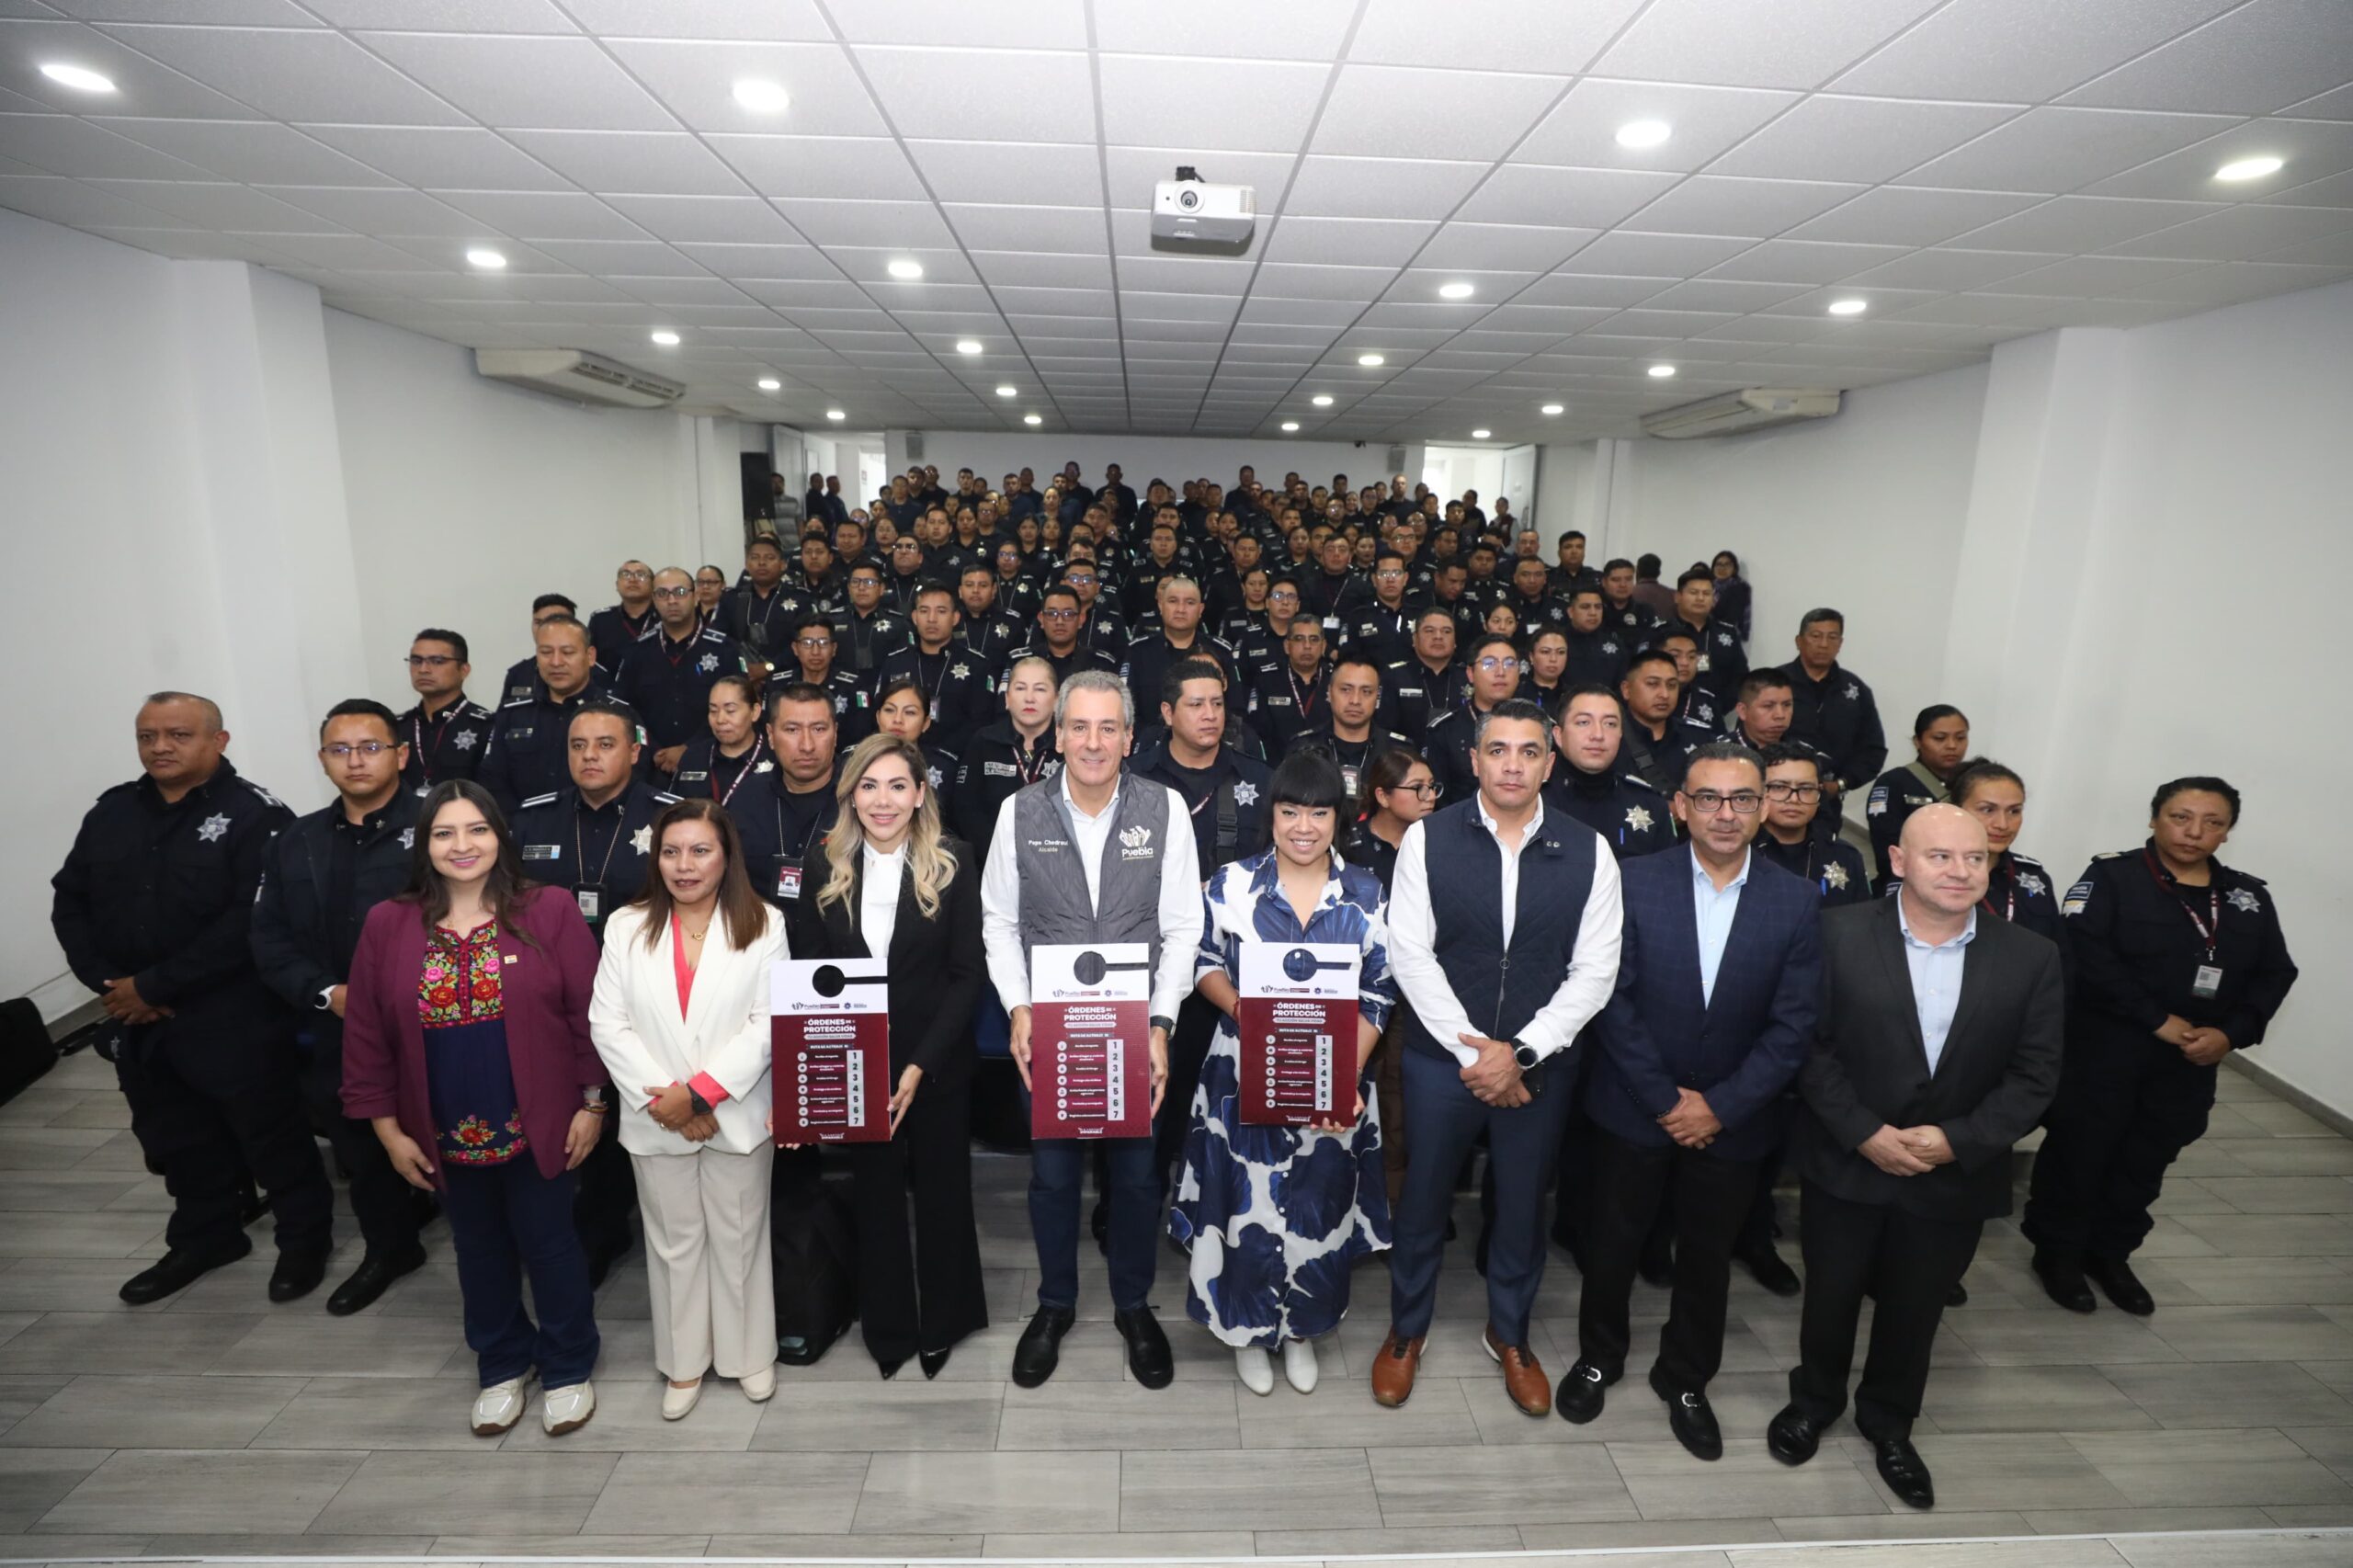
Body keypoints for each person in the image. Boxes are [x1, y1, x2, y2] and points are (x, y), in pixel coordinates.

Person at [1768, 806, 2065, 1511]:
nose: (1961, 871)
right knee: (1831, 1293)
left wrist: (1958, 1140)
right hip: (1849, 1159)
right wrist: (1864, 1131)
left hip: (1952, 1173)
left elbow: (2036, 1076)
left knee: (1917, 1306)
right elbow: (1809, 1047)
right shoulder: (1836, 933)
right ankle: (1814, 1401)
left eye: (1975, 858)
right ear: (1899, 861)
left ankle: (1890, 1423)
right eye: (1941, 857)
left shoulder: (2031, 956)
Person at [1559, 744, 1822, 1459]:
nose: (1725, 813)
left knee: (1707, 1259)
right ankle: (1598, 1357)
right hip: (1632, 1107)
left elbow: (1794, 1025)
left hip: (1734, 1122)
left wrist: (1720, 1107)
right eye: (1708, 798)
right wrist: (1664, 1098)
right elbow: (1610, 998)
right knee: (1612, 1244)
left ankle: (1685, 1378)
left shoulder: (1797, 900)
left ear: (1762, 808)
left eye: (1742, 799)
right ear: (1680, 806)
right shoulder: (1631, 882)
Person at [1376, 699, 1622, 1418]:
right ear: (1474, 759)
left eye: (1529, 751)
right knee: (1422, 1202)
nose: (1513, 765)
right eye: (1498, 750)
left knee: (1521, 1206)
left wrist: (1520, 1052)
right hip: (1441, 1061)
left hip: (1539, 1064)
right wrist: (1479, 1054)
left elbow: (1596, 971)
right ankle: (1407, 1328)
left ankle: (1510, 1334)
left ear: (1550, 763)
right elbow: (1409, 954)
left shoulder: (1590, 851)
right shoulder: (1427, 840)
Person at [341, 780, 607, 1438]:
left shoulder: (548, 909)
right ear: (424, 844)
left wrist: (593, 1103)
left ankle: (568, 1365)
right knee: (477, 1247)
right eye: (444, 833)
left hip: (540, 1116)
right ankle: (502, 1362)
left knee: (551, 1243)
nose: (462, 845)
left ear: (500, 836)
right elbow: (367, 1034)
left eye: (477, 829)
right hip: (439, 1123)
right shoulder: (389, 923)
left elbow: (589, 1013)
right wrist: (387, 1131)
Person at [51, 691, 335, 1305]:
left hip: (231, 1012)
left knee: (270, 1135)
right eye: (147, 736)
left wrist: (153, 987)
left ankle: (304, 1240)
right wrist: (110, 984)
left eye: (178, 735)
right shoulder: (112, 812)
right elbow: (70, 900)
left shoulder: (256, 816)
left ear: (218, 741)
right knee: (173, 1134)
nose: (160, 747)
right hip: (136, 1014)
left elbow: (250, 921)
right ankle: (206, 1236)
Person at [981, 671, 1205, 1391]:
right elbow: (999, 921)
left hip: (1138, 1032)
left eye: (1109, 728)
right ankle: (1055, 1304)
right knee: (1051, 1179)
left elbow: (1183, 926)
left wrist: (1162, 1022)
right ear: (1057, 734)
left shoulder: (1165, 808)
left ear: (1130, 737)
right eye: (1079, 726)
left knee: (1137, 1179)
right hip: (1050, 1032)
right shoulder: (1018, 811)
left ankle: (1134, 1306)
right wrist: (1019, 1007)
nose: (1093, 742)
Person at [2022, 778, 2299, 1319]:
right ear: (2154, 819)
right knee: (2081, 1154)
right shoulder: (2112, 878)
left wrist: (2230, 1034)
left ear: (2227, 832)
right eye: (2180, 817)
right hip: (2106, 1050)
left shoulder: (2246, 898)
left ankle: (2111, 1254)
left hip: (2189, 1060)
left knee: (2145, 1161)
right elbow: (2084, 955)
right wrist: (2155, 1020)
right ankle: (2057, 1254)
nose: (2194, 832)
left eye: (2213, 822)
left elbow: (2275, 973)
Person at [1172, 750, 1395, 1396]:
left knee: (1316, 1202)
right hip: (1242, 1069)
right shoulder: (1231, 884)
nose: (1304, 826)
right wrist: (1243, 1007)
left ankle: (1300, 1332)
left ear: (1338, 819)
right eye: (1291, 811)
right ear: (1270, 814)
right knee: (1243, 1206)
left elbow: (1379, 990)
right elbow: (1202, 962)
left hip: (1335, 1072)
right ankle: (1245, 1330)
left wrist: (1344, 1076)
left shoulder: (1367, 893)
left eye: (1319, 813)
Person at [789, 734, 989, 1379]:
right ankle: (888, 1329)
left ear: (920, 793)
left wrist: (919, 1065)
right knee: (874, 1197)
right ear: (851, 795)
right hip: (857, 1064)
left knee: (943, 1193)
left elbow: (967, 975)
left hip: (936, 1060)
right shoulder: (822, 866)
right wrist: (839, 1066)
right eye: (869, 786)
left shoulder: (955, 860)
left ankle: (946, 1321)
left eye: (898, 786)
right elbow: (812, 976)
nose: (883, 800)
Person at [588, 799, 785, 1419]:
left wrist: (700, 1094)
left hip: (735, 1109)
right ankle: (684, 1363)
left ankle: (749, 1354)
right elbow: (608, 1024)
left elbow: (767, 1024)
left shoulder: (765, 923)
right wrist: (670, 1100)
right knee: (674, 1242)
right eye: (671, 852)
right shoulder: (626, 926)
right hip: (656, 1113)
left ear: (726, 856)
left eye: (701, 850)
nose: (685, 865)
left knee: (739, 1236)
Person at [249, 699, 431, 1315]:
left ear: (400, 755)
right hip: (338, 1021)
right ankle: (391, 1248)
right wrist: (330, 994)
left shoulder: (442, 825)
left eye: (371, 747)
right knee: (361, 1145)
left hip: (434, 1017)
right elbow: (269, 937)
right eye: (340, 749)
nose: (356, 761)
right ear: (323, 759)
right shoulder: (294, 840)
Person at [479, 616, 618, 814]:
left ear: (590, 656)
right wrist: (519, 824)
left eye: (567, 652)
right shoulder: (512, 714)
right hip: (521, 826)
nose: (556, 662)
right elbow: (493, 779)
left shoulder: (616, 714)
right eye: (546, 652)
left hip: (593, 825)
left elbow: (631, 780)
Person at [618, 568, 747, 779]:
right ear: (654, 600)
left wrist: (689, 749)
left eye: (680, 592)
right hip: (650, 765)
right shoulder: (637, 651)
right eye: (662, 593)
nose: (671, 600)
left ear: (695, 596)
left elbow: (740, 706)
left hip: (712, 762)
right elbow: (623, 708)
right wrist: (654, 749)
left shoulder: (724, 649)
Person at [733, 683, 843, 913]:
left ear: (835, 734)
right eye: (792, 730)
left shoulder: (861, 798)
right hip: (761, 930)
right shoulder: (747, 798)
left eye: (819, 729)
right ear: (771, 735)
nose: (807, 745)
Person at [1542, 685, 1675, 859]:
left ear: (1621, 734)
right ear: (1558, 735)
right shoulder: (1535, 800)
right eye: (1583, 722)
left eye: (1610, 724)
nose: (1598, 735)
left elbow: (1668, 872)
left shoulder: (1650, 803)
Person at [952, 655, 1061, 864]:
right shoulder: (984, 741)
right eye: (1020, 688)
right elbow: (966, 808)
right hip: (992, 861)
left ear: (1057, 700)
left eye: (1040, 689)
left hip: (1056, 862)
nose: (1029, 698)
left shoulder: (1069, 745)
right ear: (1007, 699)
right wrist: (1000, 854)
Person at [1779, 609, 1885, 801]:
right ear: (1799, 641)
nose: (1824, 644)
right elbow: (1753, 736)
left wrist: (1841, 784)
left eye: (1832, 637)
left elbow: (1873, 749)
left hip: (1828, 796)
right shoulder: (1775, 682)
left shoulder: (1856, 690)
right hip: (1777, 789)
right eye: (1816, 636)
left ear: (1840, 644)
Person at [876, 583, 992, 755]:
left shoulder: (977, 665)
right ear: (914, 617)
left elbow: (980, 723)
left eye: (941, 611)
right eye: (924, 611)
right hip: (899, 755)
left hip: (957, 759)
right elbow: (879, 714)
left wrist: (941, 756)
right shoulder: (895, 662)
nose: (931, 619)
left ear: (955, 618)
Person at [1865, 706, 1970, 883]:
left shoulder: (1973, 783)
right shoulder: (1894, 783)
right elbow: (1888, 849)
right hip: (1909, 881)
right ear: (1917, 741)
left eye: (1960, 738)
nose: (1952, 745)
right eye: (1940, 738)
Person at [1423, 632, 1527, 806]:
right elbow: (1437, 796)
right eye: (1489, 664)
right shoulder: (1445, 730)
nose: (1501, 672)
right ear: (1470, 673)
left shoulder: (1536, 726)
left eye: (1509, 663)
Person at [397, 629, 495, 797]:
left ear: (464, 670)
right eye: (416, 661)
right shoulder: (396, 727)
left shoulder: (487, 726)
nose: (423, 669)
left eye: (437, 661)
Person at [669, 674, 771, 810]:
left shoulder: (775, 756)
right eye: (713, 711)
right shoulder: (694, 756)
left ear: (755, 712)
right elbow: (673, 812)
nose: (720, 720)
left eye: (730, 710)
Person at [1619, 648, 1707, 796]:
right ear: (1626, 690)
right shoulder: (1609, 738)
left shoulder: (1700, 738)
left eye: (1671, 685)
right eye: (1653, 684)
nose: (1665, 695)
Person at [873, 676, 961, 818]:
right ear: (878, 717)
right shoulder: (853, 759)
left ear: (926, 723)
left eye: (910, 712)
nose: (898, 720)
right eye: (889, 710)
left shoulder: (946, 766)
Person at [1381, 608, 1469, 740]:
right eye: (1429, 631)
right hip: (1405, 752)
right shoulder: (1394, 676)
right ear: (1414, 639)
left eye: (1446, 631)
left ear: (1455, 641)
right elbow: (1383, 730)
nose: (1438, 636)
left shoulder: (1469, 677)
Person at [717, 536, 797, 661]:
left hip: (787, 670)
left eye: (769, 558)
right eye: (755, 558)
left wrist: (770, 667)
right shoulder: (731, 599)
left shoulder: (800, 599)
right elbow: (719, 638)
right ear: (747, 565)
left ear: (783, 565)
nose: (761, 563)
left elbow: (804, 642)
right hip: (740, 669)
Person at [587, 561, 659, 673]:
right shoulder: (601, 620)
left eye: (640, 575)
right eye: (626, 574)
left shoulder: (665, 618)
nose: (633, 580)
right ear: (617, 585)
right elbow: (590, 662)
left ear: (653, 585)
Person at [1710, 550, 1752, 641]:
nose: (1722, 568)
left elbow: (1730, 619)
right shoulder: (1708, 588)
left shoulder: (1739, 589)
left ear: (1735, 569)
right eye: (1719, 564)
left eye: (1727, 565)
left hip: (1726, 638)